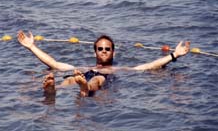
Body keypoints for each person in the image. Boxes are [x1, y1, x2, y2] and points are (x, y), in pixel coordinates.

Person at [17, 30, 190, 97]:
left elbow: (148, 66)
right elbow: (54, 63)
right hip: (82, 75)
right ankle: (53, 90)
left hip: (100, 80)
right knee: (70, 78)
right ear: (95, 52)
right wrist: (31, 46)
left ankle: (85, 89)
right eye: (100, 49)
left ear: (113, 52)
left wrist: (175, 55)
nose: (104, 51)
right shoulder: (84, 68)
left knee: (97, 80)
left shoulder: (117, 69)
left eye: (107, 49)